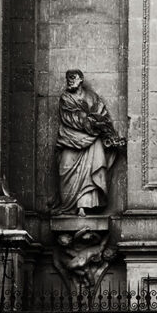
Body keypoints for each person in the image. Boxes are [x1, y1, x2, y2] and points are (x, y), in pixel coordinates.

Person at [54, 69, 124, 217]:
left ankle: (83, 206)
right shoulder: (65, 98)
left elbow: (103, 116)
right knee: (65, 168)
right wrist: (89, 122)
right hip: (70, 139)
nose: (69, 81)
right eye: (67, 78)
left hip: (92, 141)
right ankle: (67, 205)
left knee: (91, 171)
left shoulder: (92, 97)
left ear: (81, 79)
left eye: (73, 77)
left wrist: (108, 133)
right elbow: (68, 117)